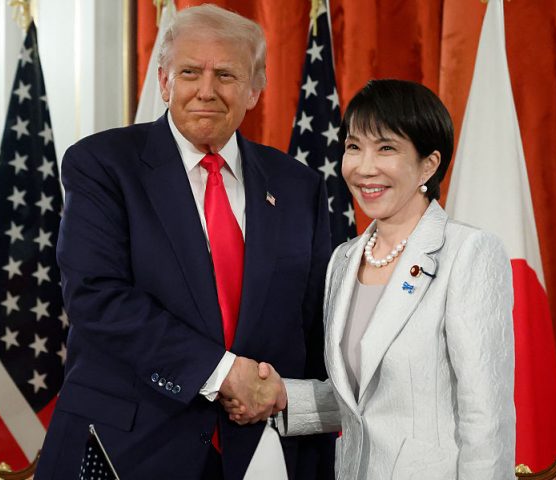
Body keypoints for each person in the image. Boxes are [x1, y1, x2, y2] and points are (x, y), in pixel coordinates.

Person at [35, 5, 333, 479]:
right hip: (126, 448)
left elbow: (312, 329)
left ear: (255, 90)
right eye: (190, 72)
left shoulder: (298, 186)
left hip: (260, 451)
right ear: (164, 81)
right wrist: (222, 373)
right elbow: (97, 297)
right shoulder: (103, 164)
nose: (206, 90)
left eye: (226, 75)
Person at [224, 79, 516, 479]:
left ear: (428, 164)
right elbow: (363, 400)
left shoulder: (468, 253)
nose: (364, 167)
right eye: (354, 147)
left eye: (386, 148)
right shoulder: (344, 260)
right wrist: (282, 395)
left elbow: (486, 420)